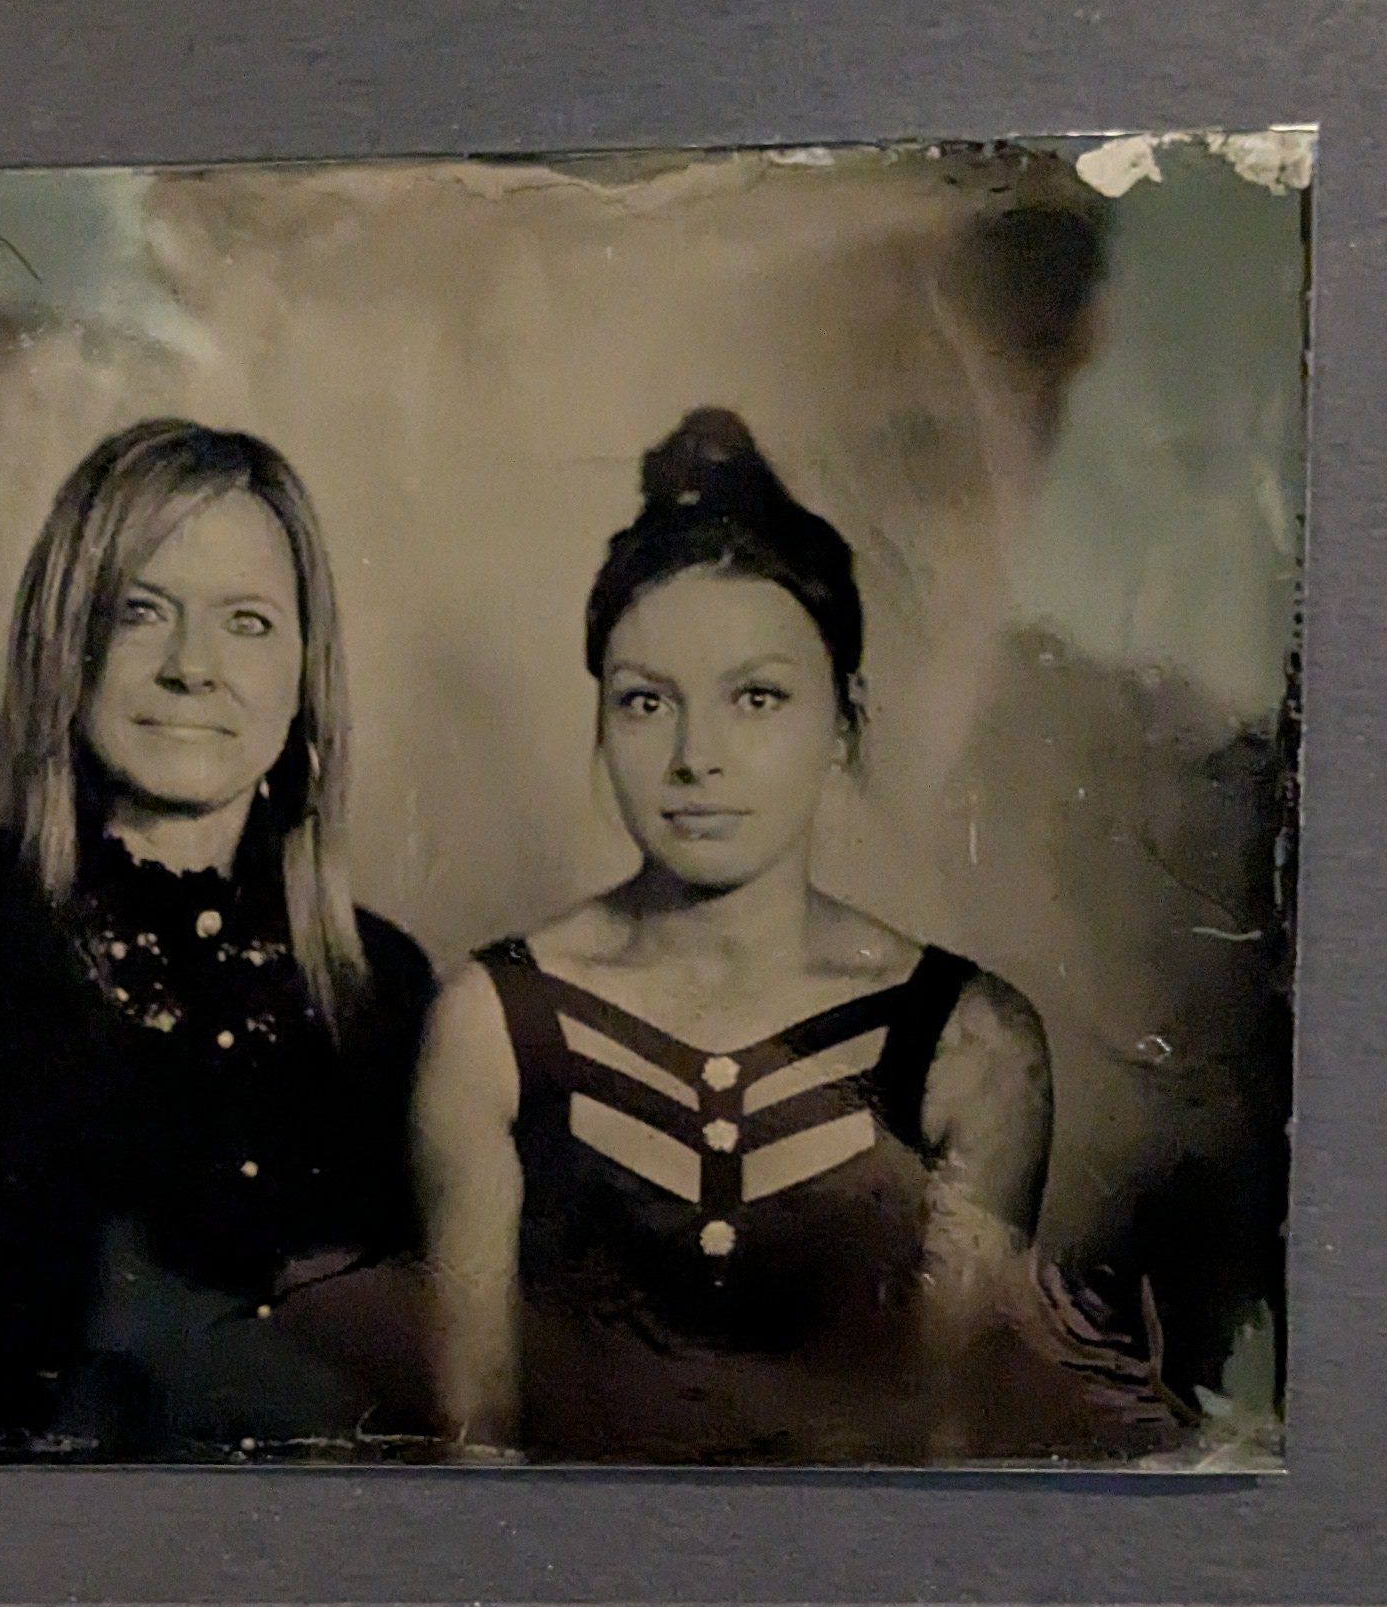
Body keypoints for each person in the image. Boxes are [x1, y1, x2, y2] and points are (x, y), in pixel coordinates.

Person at [414, 407, 1169, 1465]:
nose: (696, 757)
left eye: (757, 698)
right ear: (600, 725)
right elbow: (471, 1450)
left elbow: (950, 1455)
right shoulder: (491, 1024)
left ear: (843, 726)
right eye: (645, 703)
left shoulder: (968, 1045)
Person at [0, 419, 434, 1458]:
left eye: (247, 622)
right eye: (140, 613)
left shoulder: (382, 991)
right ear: (64, 643)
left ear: (307, 672)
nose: (191, 668)